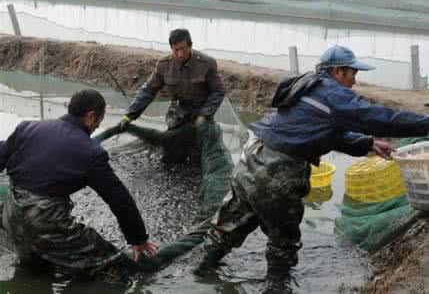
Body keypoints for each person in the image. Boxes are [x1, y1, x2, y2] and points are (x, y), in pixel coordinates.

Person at [194, 45, 429, 293]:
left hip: (250, 159)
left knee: (229, 226)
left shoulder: (306, 86)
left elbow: (318, 131)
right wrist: (425, 124)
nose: (354, 81)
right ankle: (276, 288)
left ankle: (199, 275)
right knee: (282, 243)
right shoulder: (333, 94)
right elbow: (379, 118)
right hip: (277, 171)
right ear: (338, 71)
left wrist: (367, 144)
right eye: (352, 74)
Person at [0, 89, 157, 281]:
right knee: (114, 266)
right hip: (45, 223)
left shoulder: (27, 128)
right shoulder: (90, 152)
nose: (97, 126)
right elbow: (119, 199)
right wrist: (138, 239)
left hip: (11, 218)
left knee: (35, 272)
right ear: (91, 116)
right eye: (99, 120)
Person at [118, 28, 225, 164]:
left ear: (190, 45)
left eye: (183, 49)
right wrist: (130, 114)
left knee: (197, 158)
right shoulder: (164, 64)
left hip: (201, 113)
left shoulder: (207, 63)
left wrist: (204, 114)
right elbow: (148, 91)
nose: (180, 54)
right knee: (172, 155)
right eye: (176, 50)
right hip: (178, 114)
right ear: (171, 48)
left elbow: (218, 91)